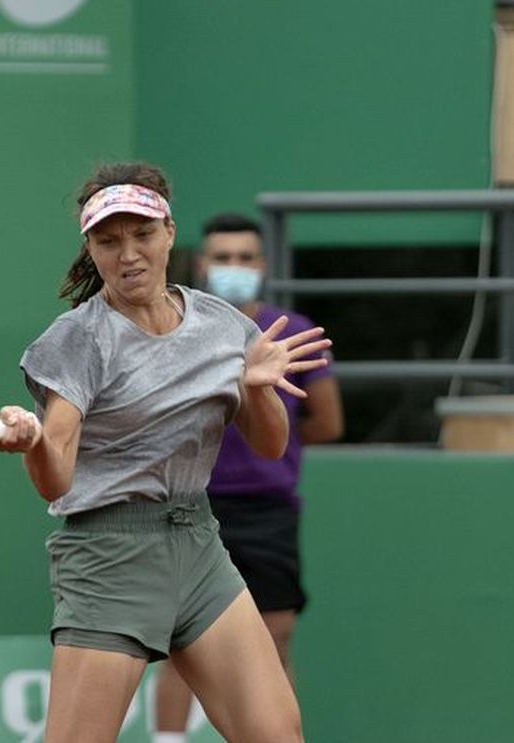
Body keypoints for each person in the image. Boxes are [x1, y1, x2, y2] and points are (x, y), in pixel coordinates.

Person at [0, 162, 331, 743]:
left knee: (276, 734)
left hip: (198, 547)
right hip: (109, 558)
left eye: (142, 235)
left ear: (169, 231)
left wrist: (255, 386)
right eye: (108, 241)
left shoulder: (222, 325)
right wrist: (34, 443)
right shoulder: (75, 340)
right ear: (90, 248)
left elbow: (271, 446)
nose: (128, 254)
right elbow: (55, 479)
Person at [152, 213, 344, 743]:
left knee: (276, 637)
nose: (233, 268)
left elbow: (326, 421)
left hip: (269, 510)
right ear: (201, 265)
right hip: (191, 506)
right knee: (181, 643)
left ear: (260, 266)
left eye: (244, 258)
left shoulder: (296, 333)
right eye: (222, 258)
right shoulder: (175, 330)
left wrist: (270, 443)